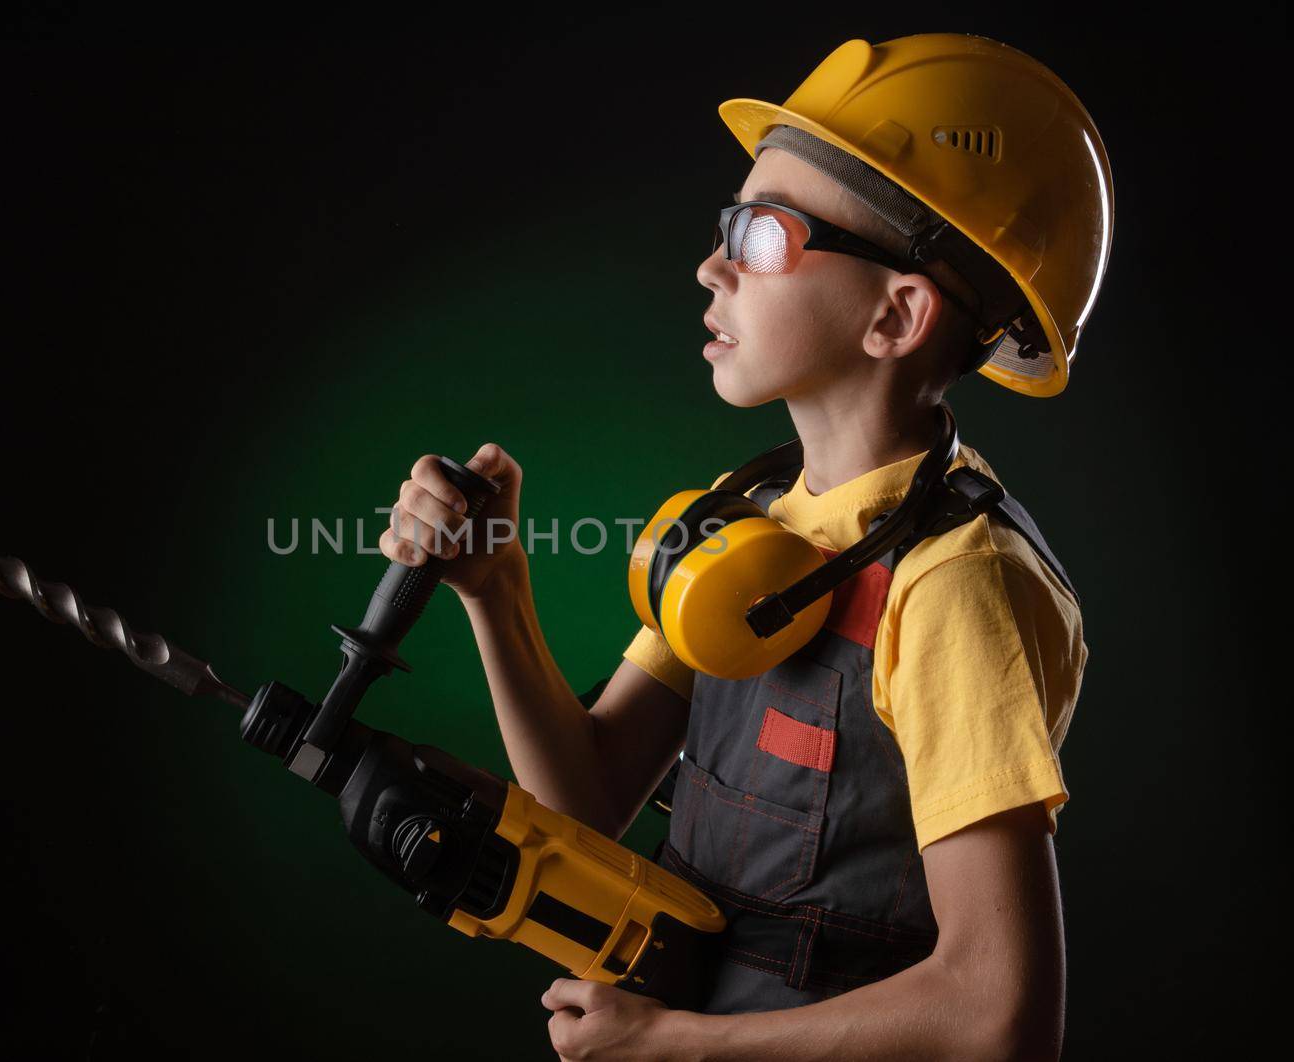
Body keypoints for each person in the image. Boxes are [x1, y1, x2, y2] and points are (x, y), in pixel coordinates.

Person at [378, 33, 1109, 1060]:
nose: (711, 265)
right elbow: (583, 807)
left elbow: (999, 1013)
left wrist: (676, 1042)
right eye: (731, 224)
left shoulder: (952, 586)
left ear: (897, 313)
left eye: (765, 236)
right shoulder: (750, 514)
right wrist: (495, 595)